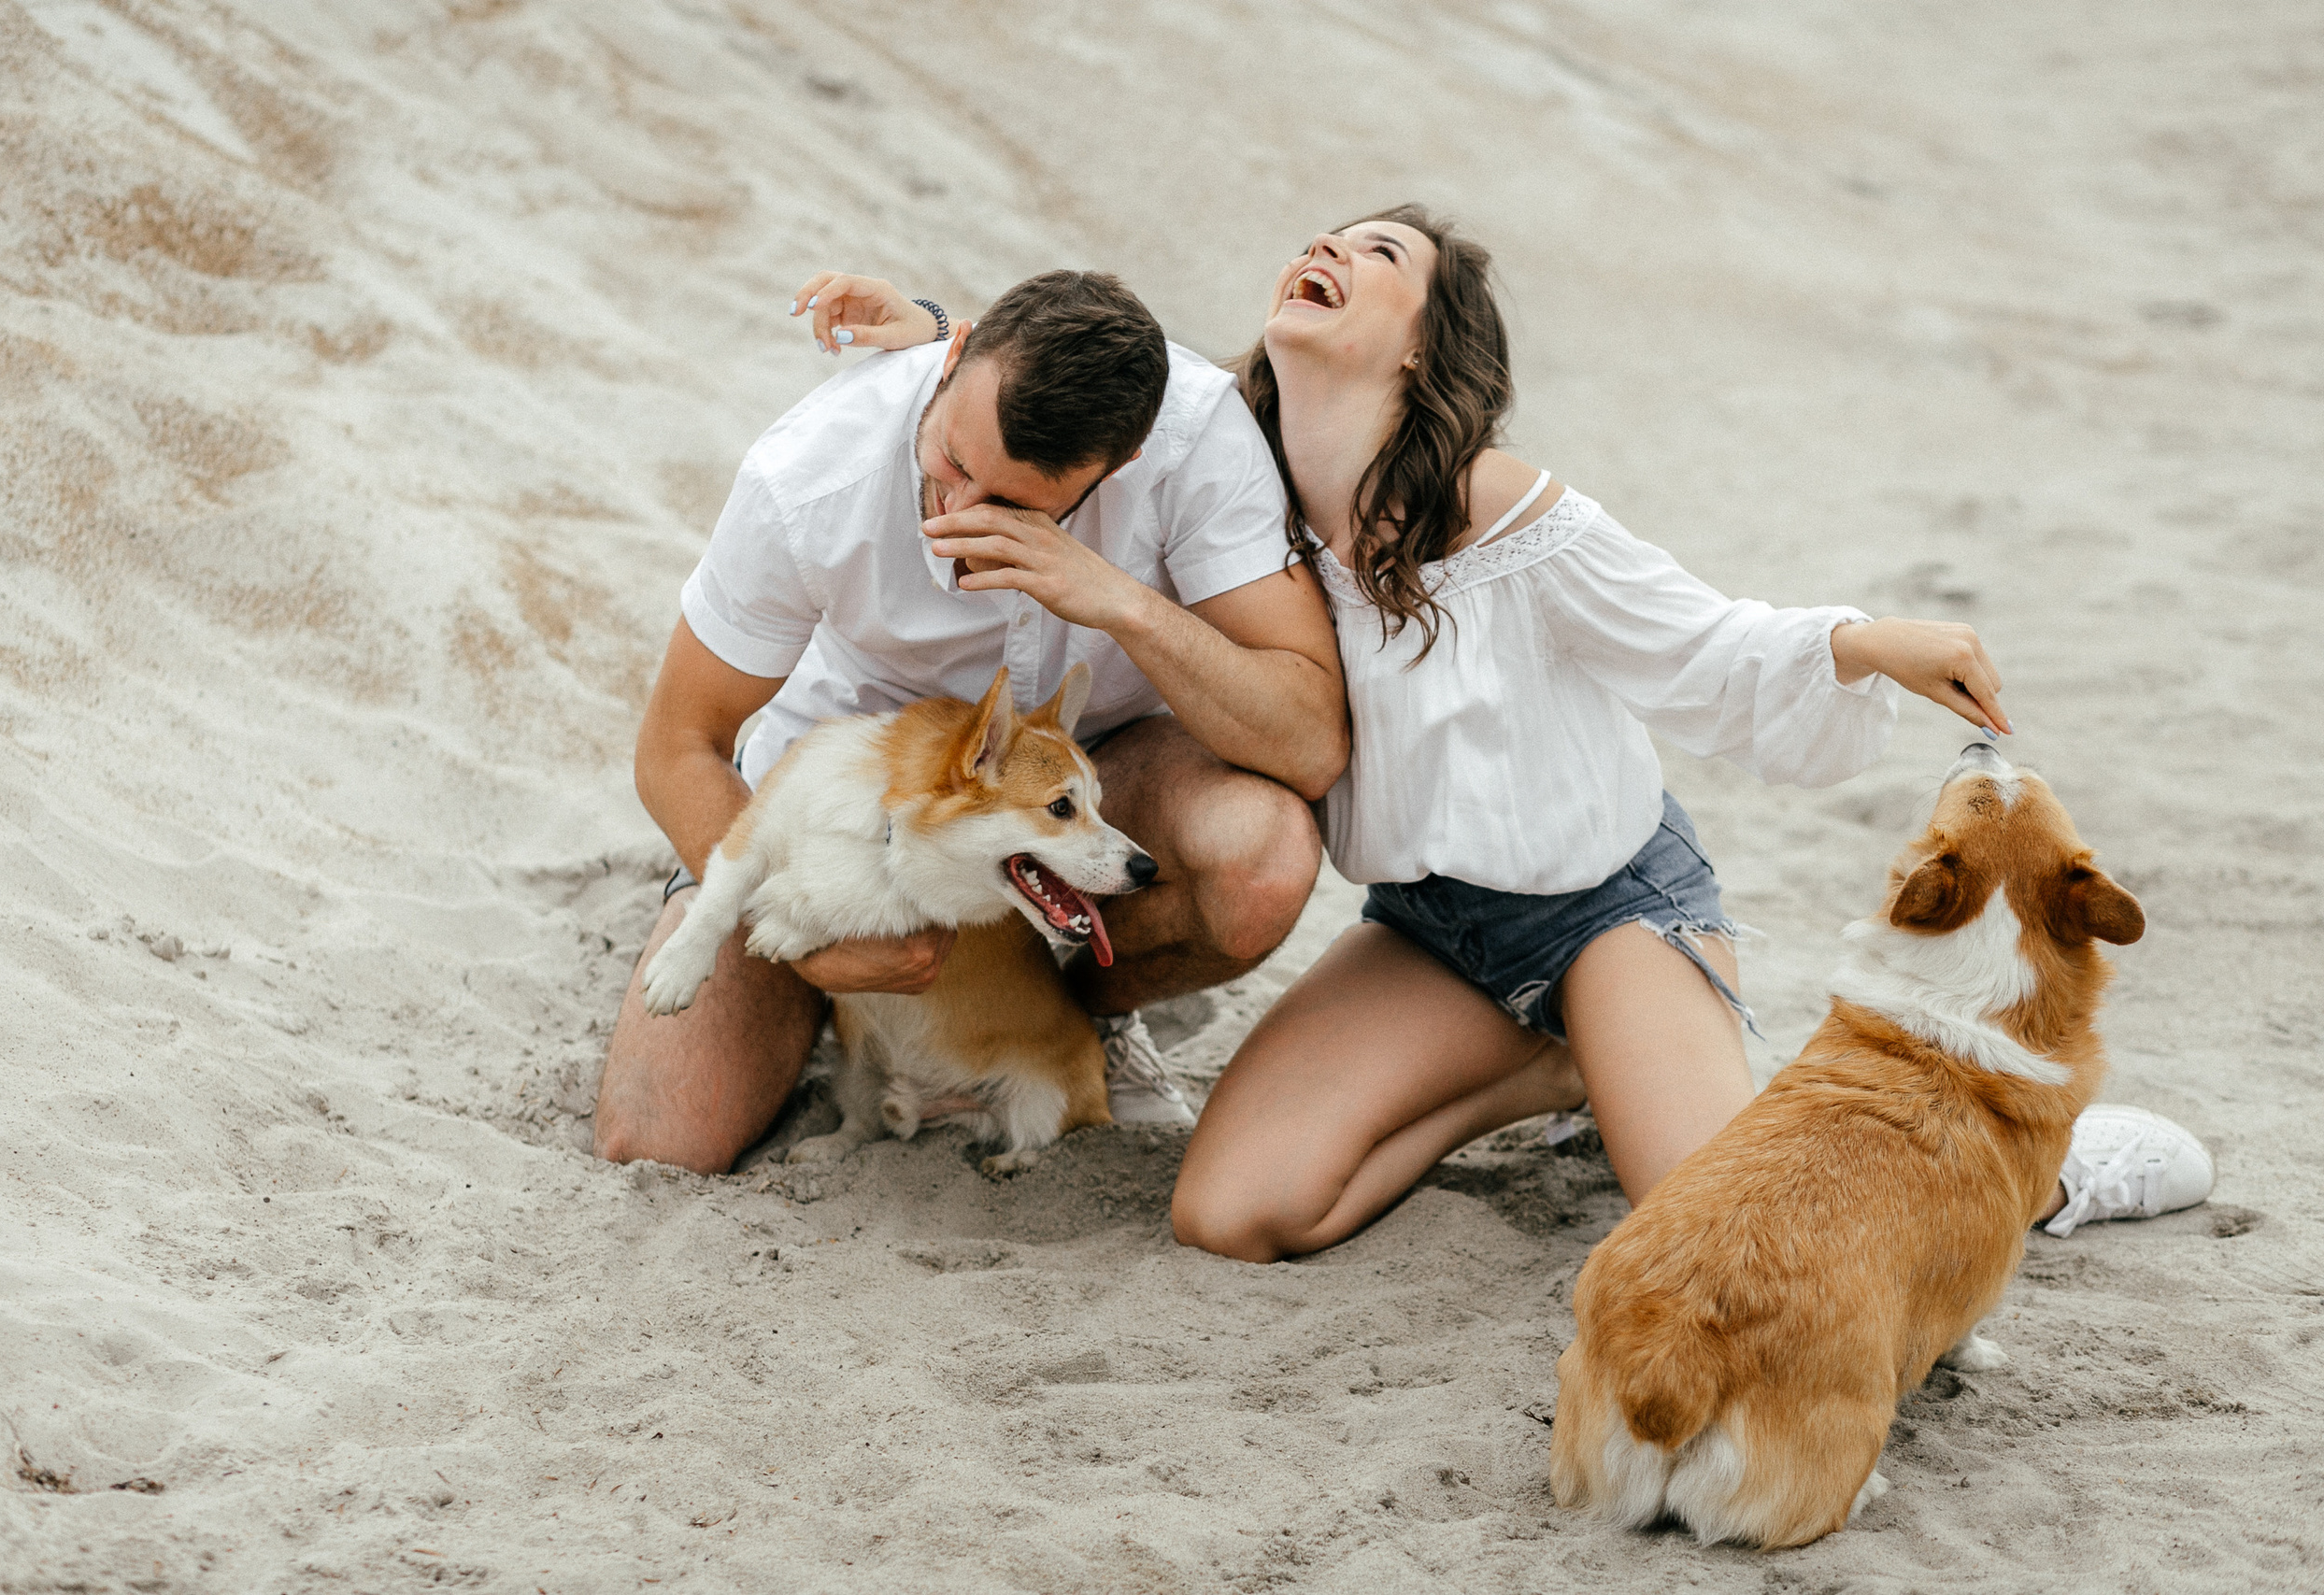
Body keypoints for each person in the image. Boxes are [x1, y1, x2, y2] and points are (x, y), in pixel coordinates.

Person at [791, 221, 2215, 1260]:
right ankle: (1555, 1069)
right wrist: (938, 333)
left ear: (1423, 344)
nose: (1330, 247)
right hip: (1433, 934)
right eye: (1328, 233)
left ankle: (2048, 1170)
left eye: (1381, 253)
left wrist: (1861, 638)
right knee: (1232, 1213)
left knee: (1726, 1229)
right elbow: (1102, 381)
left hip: (1608, 913)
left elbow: (1700, 644)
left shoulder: (1496, 505)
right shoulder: (1244, 480)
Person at [592, 270, 1347, 1174]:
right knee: (658, 1136)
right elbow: (677, 745)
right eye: (952, 460)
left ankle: (1083, 1015)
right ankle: (845, 1012)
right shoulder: (810, 475)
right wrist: (805, 936)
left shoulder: (1195, 443)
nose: (955, 514)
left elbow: (1310, 739)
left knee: (1260, 859)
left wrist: (1117, 600)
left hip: (1093, 776)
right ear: (950, 357)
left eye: (1014, 504)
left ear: (1121, 465)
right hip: (844, 814)